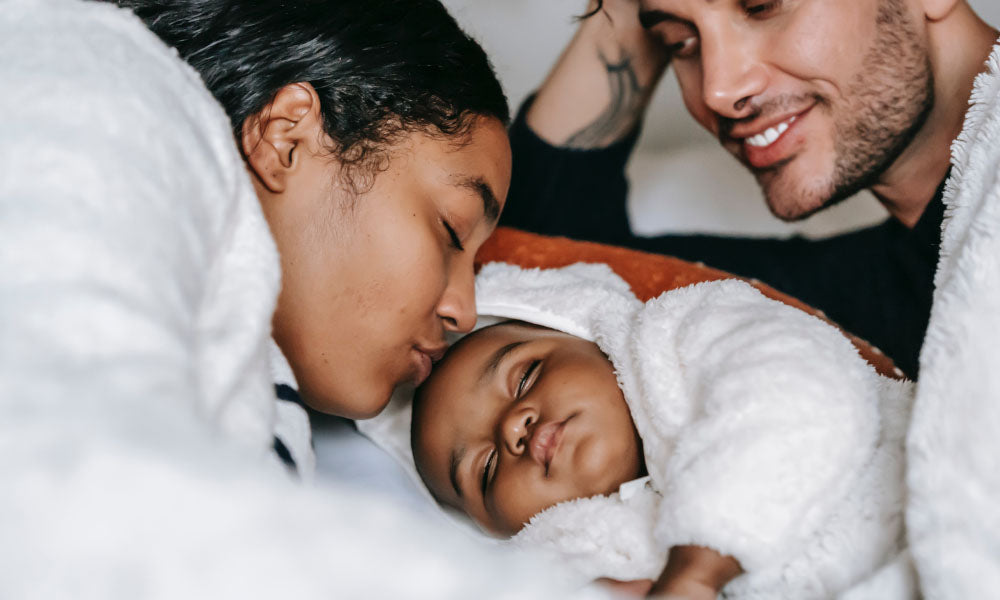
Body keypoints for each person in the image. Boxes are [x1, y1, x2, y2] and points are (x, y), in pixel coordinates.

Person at [0, 0, 589, 597]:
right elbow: (64, 496)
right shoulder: (92, 96)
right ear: (288, 137)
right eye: (452, 232)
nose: (463, 310)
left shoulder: (259, 378)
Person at [501, 0, 999, 379]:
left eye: (761, 5)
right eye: (680, 43)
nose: (717, 89)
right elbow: (541, 259)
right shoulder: (872, 302)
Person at [410, 263, 913, 599]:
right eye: (487, 469)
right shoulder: (557, 556)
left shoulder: (680, 333)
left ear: (586, 336)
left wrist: (698, 567)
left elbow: (800, 386)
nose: (511, 429)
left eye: (523, 376)